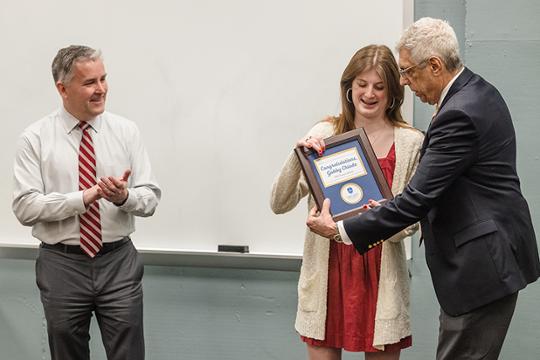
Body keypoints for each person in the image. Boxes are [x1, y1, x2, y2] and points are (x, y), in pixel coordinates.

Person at [306, 18, 540, 360]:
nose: (403, 81)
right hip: (491, 261)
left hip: (481, 269)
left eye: (407, 72)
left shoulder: (458, 112)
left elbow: (416, 200)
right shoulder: (477, 92)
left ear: (434, 65)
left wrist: (340, 229)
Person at [271, 44, 424, 360]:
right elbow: (279, 202)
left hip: (382, 280)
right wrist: (298, 155)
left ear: (393, 92)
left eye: (380, 86)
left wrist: (379, 222)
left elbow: (412, 220)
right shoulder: (324, 134)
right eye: (362, 84)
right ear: (349, 88)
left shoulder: (411, 143)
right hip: (328, 275)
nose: (370, 94)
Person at [12, 45, 161, 360]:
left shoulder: (126, 131)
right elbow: (25, 207)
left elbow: (149, 199)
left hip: (118, 261)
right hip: (61, 263)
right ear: (62, 88)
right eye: (90, 82)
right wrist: (83, 197)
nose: (101, 89)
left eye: (104, 79)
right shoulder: (35, 138)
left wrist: (124, 197)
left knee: (129, 354)